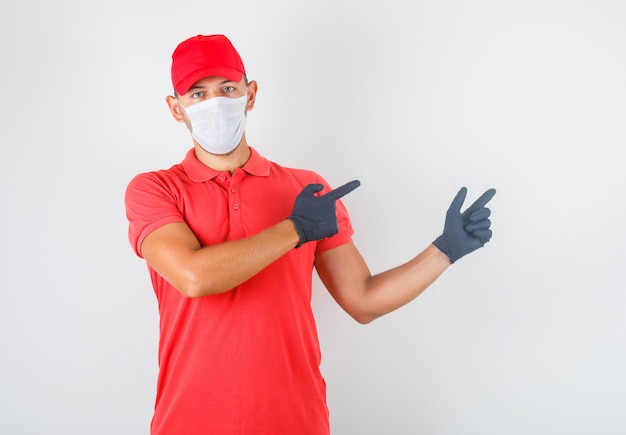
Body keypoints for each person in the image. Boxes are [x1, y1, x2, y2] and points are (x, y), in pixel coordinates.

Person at [125, 34, 496, 435]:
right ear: (175, 108)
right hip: (190, 421)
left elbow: (363, 300)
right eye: (197, 94)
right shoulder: (155, 189)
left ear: (250, 95)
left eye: (227, 89)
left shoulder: (308, 191)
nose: (214, 103)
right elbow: (195, 278)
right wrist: (295, 229)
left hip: (296, 421)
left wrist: (444, 251)